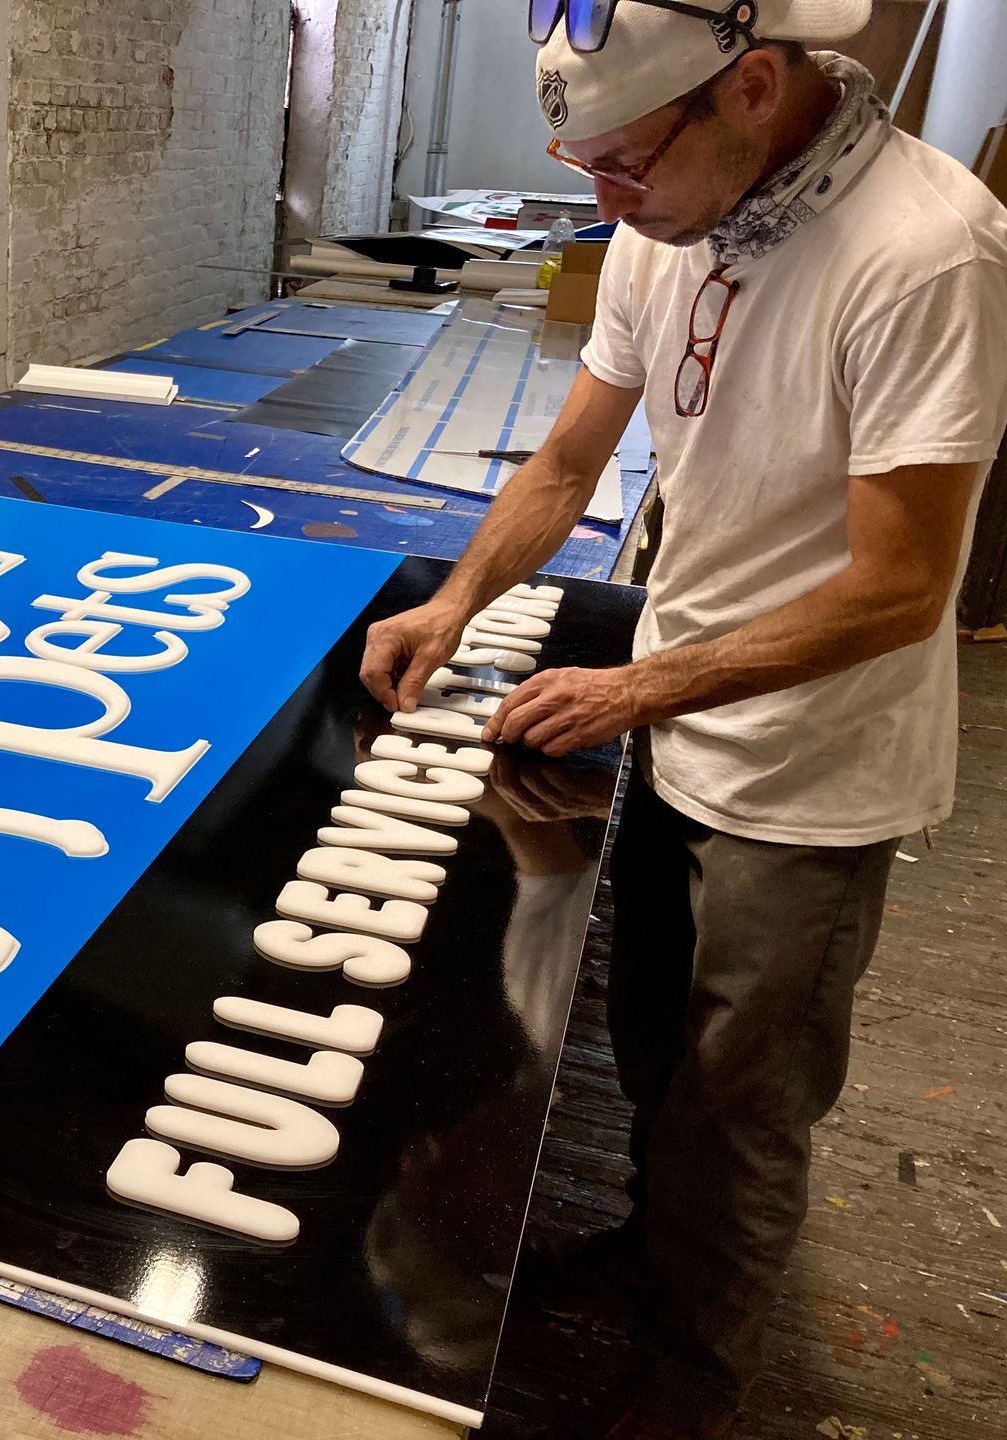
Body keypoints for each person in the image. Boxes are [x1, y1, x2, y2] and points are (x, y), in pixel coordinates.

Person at [357, 2, 1007, 1436]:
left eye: (624, 166)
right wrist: (456, 600)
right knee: (653, 1043)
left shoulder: (926, 252)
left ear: (753, 90)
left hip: (813, 767)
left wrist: (634, 685)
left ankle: (694, 1385)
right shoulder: (668, 223)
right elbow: (573, 455)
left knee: (742, 1108)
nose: (604, 202)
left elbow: (901, 591)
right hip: (683, 716)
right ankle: (653, 1261)